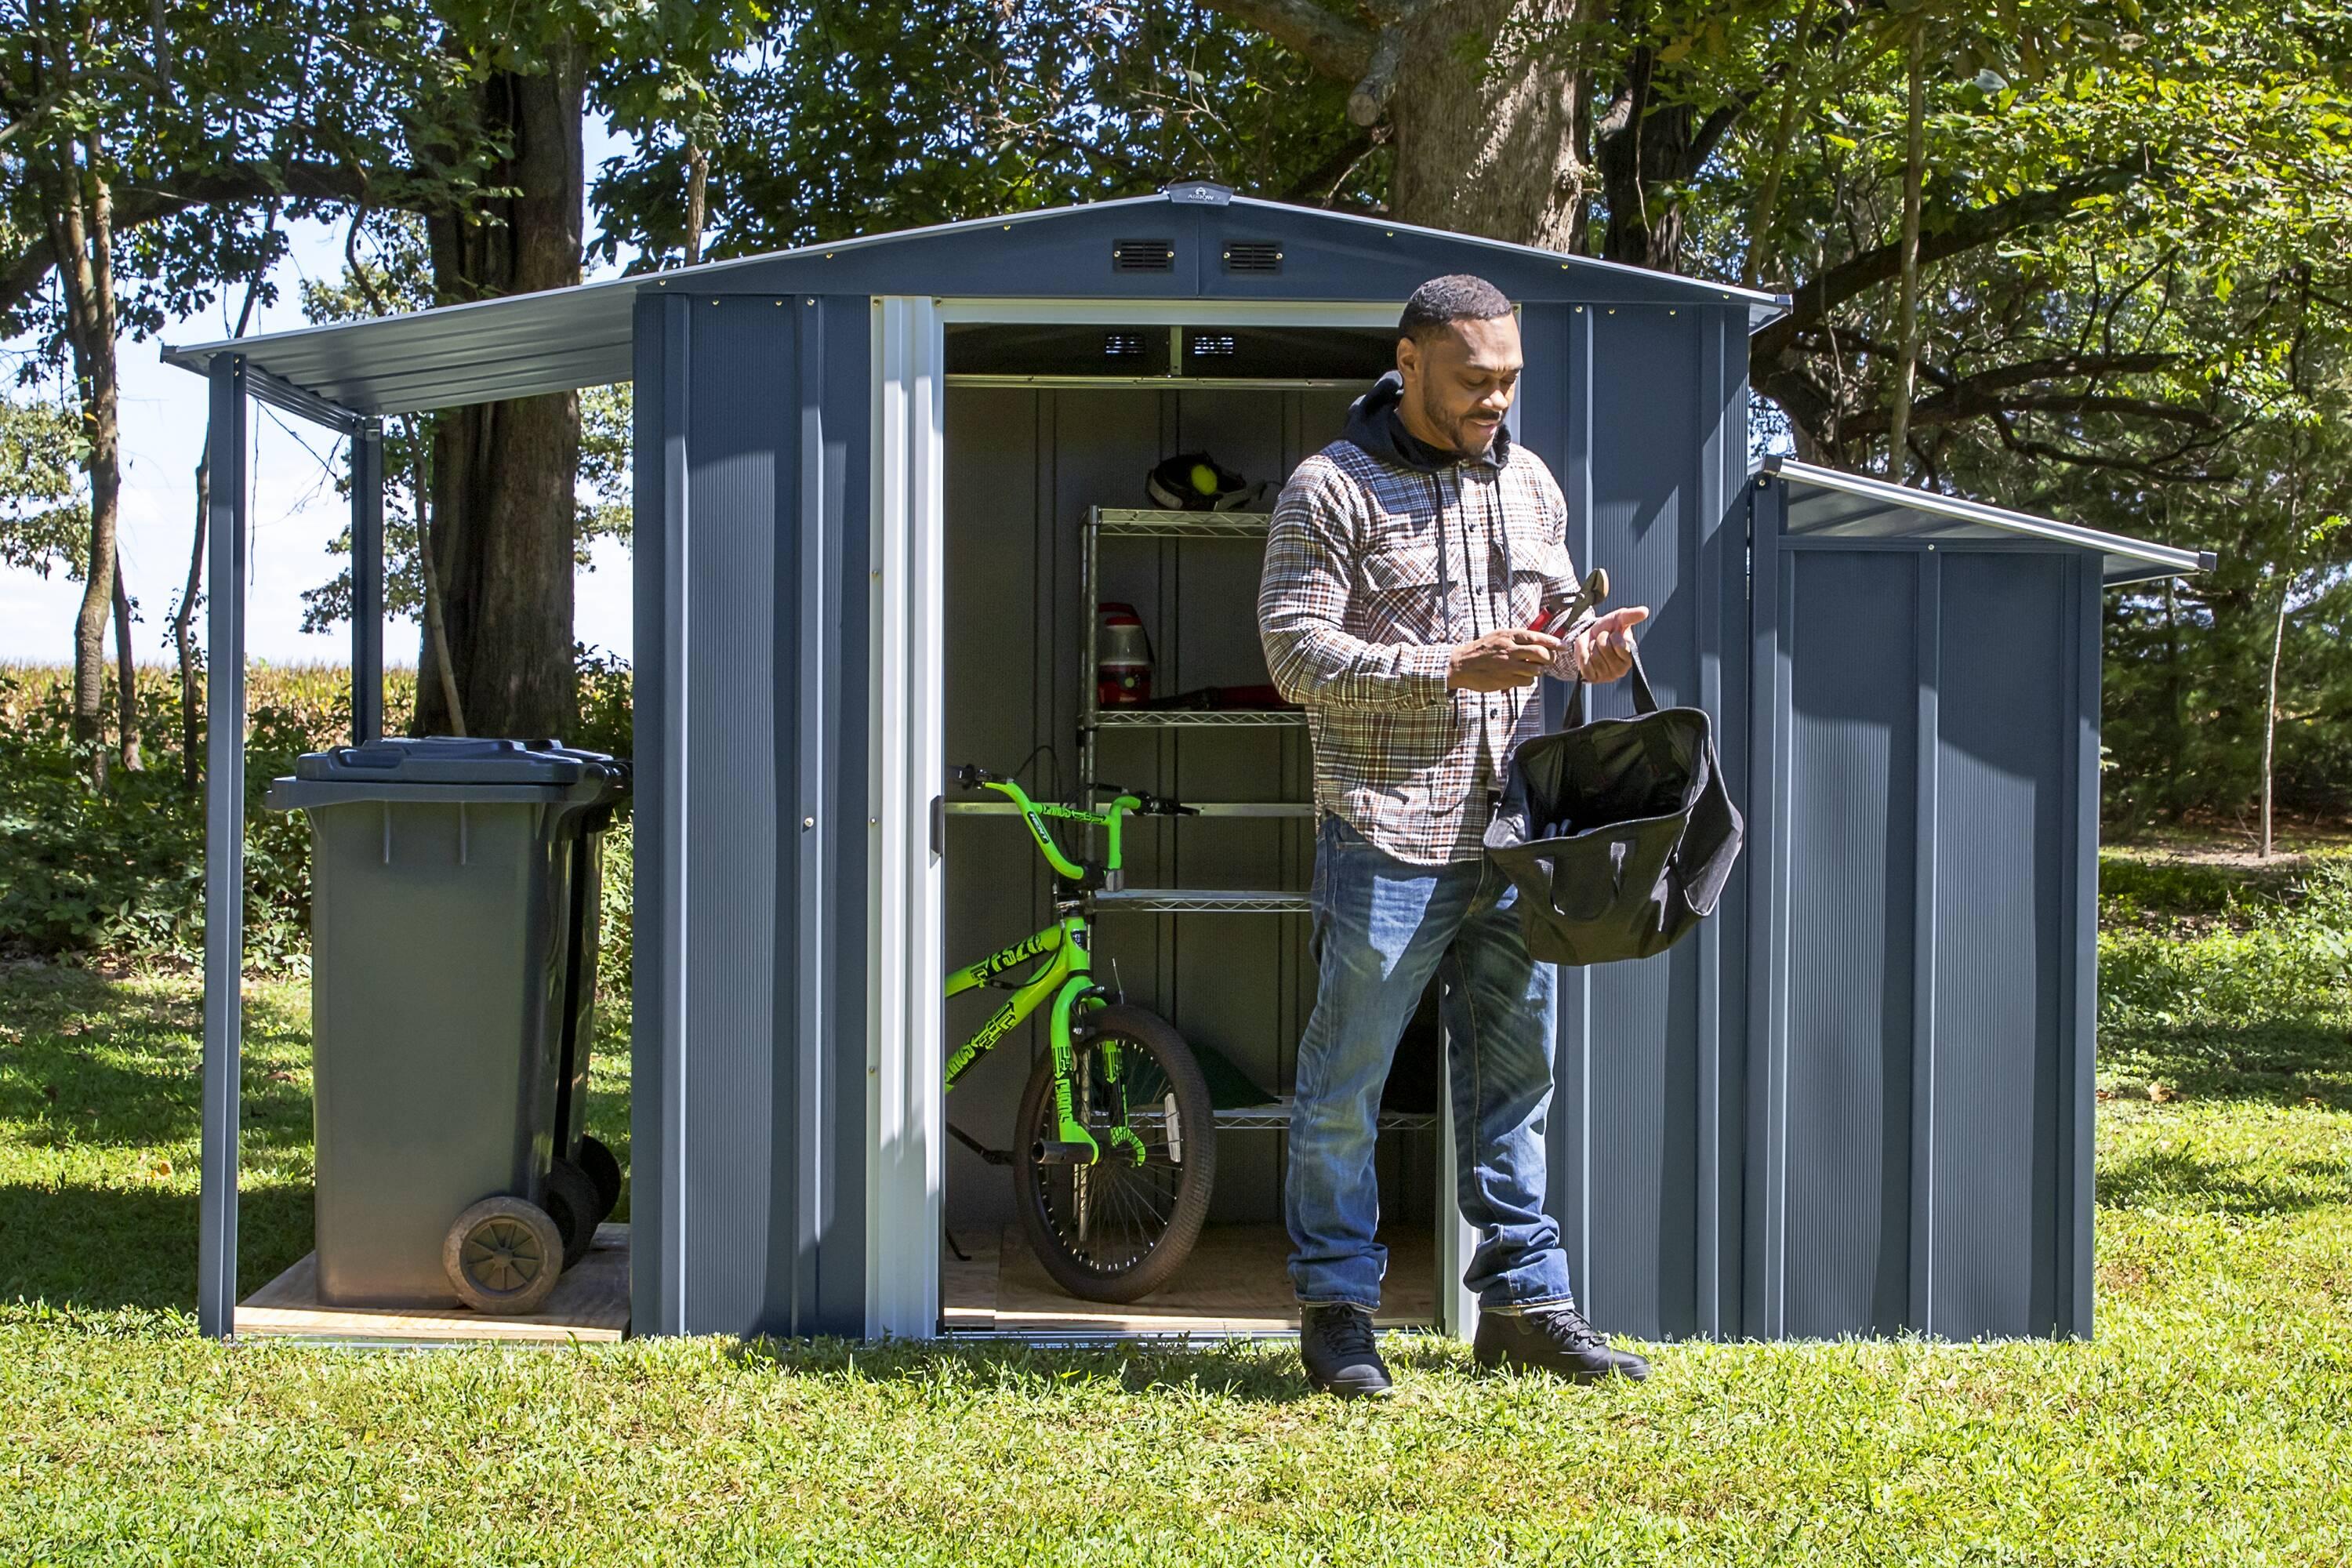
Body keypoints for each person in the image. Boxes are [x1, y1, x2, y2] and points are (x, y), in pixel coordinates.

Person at [1257, 274, 1653, 1399]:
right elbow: (1293, 656)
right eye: (1475, 379)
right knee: (1349, 1084)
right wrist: (1446, 668)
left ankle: (1525, 1305)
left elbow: (1557, 620)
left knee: (1518, 1077)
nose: (1496, 399)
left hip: (1522, 833)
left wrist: (1589, 652)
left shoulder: (1530, 481)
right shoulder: (1329, 490)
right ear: (1411, 359)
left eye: (1510, 379)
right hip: (1389, 834)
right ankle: (1338, 1314)